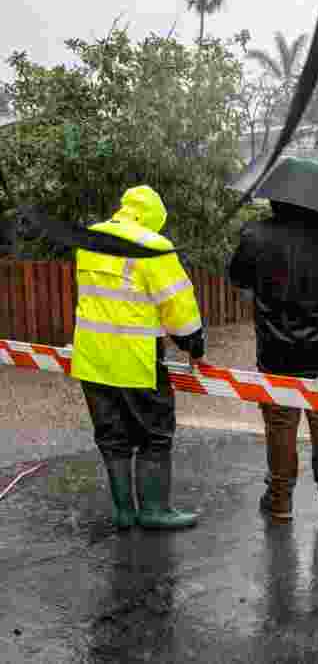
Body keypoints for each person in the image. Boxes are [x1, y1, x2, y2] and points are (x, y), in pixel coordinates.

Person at [71, 186, 206, 530]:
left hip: (91, 358)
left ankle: (123, 512)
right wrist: (193, 342)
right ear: (153, 218)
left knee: (112, 436)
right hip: (136, 360)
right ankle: (154, 510)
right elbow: (176, 302)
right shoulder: (152, 246)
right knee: (154, 435)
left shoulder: (90, 239)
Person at [228, 199, 318, 522]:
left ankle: (279, 501)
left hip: (275, 352)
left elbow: (238, 277)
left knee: (279, 427)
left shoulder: (256, 235)